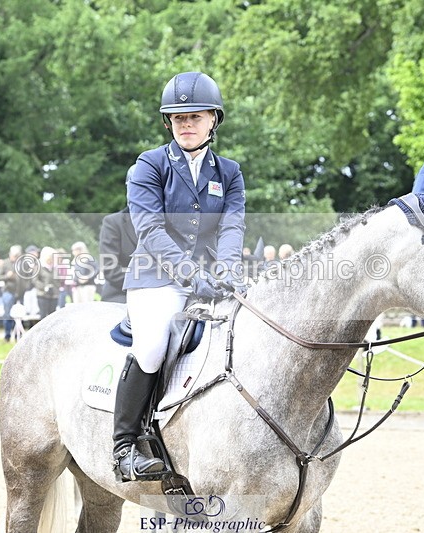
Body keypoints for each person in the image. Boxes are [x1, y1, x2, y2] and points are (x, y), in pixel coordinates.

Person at [113, 71, 246, 481]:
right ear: (168, 123)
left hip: (209, 280)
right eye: (177, 117)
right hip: (155, 279)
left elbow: (231, 227)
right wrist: (189, 274)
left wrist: (226, 270)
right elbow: (150, 230)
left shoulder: (229, 173)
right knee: (153, 346)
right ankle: (125, 446)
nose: (185, 123)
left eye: (195, 116)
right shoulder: (149, 166)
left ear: (213, 120)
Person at [99, 165, 138, 303]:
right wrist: (145, 282)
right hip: (120, 294)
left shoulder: (167, 223)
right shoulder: (113, 222)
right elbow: (110, 268)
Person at [0, 245, 31, 342]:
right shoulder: (5, 263)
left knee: (20, 315)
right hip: (9, 292)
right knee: (7, 314)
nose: (15, 257)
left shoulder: (24, 264)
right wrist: (7, 276)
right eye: (13, 255)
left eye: (17, 255)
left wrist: (26, 286)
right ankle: (7, 336)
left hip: (21, 293)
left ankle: (18, 336)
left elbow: (29, 276)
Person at [33, 246, 58, 318]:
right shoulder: (38, 266)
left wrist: (55, 288)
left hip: (54, 295)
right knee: (43, 315)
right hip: (42, 295)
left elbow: (58, 281)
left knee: (53, 316)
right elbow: (35, 280)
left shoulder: (55, 267)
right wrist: (44, 287)